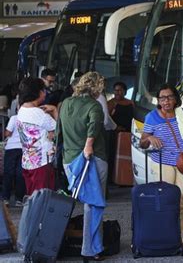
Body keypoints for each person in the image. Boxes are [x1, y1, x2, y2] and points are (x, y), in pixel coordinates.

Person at [139, 83, 183, 250]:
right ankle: (166, 237)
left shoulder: (181, 113)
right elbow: (142, 142)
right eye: (162, 98)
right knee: (166, 201)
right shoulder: (152, 117)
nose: (166, 101)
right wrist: (149, 139)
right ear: (158, 100)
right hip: (163, 162)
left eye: (169, 97)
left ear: (175, 99)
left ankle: (180, 239)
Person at [59, 71, 108, 260]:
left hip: (69, 160)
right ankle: (91, 249)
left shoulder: (65, 104)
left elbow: (59, 131)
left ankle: (85, 245)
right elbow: (95, 125)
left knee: (84, 202)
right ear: (96, 88)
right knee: (93, 204)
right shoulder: (93, 105)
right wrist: (88, 146)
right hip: (91, 159)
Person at [16, 77, 57, 195]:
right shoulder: (40, 114)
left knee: (33, 199)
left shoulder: (21, 109)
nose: (45, 93)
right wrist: (54, 111)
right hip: (41, 164)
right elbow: (59, 131)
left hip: (28, 162)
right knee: (43, 200)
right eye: (43, 90)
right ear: (37, 92)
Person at [3, 113, 26, 206]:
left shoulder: (14, 118)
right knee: (20, 174)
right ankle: (19, 199)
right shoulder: (31, 118)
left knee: (8, 173)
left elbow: (8, 133)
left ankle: (6, 198)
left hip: (11, 148)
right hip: (24, 148)